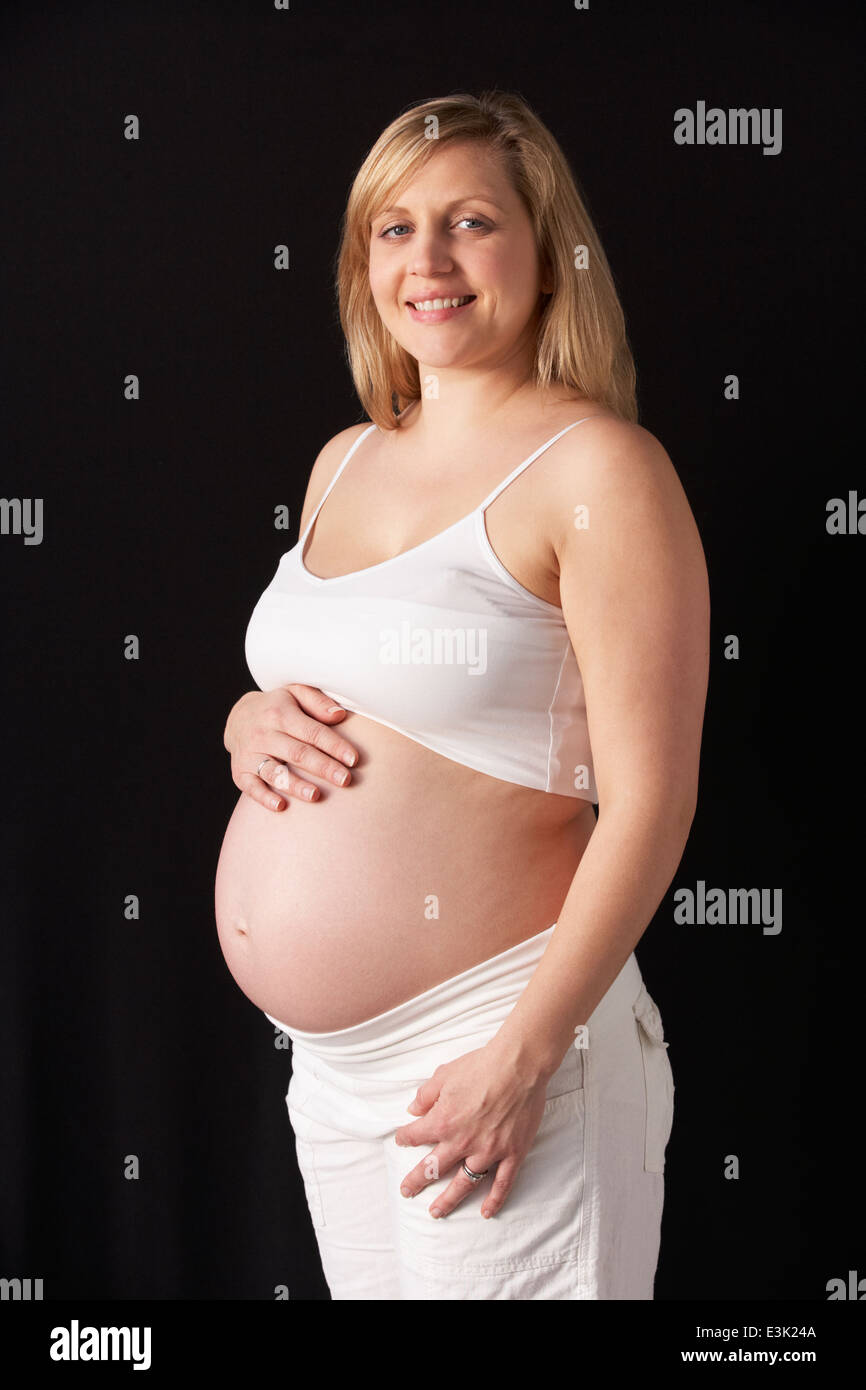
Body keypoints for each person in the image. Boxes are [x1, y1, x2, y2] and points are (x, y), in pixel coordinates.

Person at [215, 89, 709, 1300]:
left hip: (503, 1044)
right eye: (392, 228)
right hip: (330, 1073)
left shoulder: (598, 468)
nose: (425, 260)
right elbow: (338, 686)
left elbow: (649, 803)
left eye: (470, 222)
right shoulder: (347, 456)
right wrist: (246, 719)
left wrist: (523, 1055)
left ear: (545, 253)